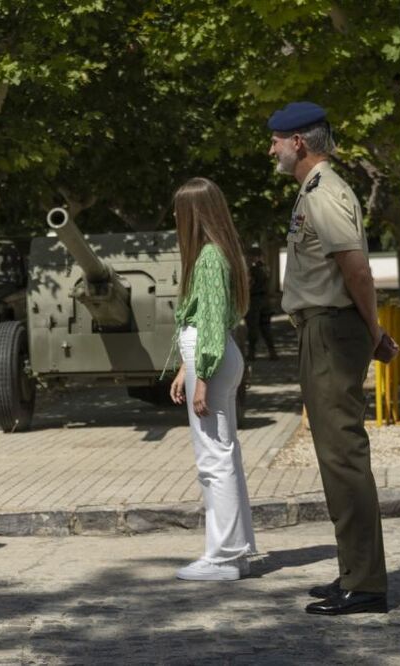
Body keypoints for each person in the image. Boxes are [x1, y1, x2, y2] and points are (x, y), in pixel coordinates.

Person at [268, 101, 397, 615]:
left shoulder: (325, 193)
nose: (271, 149)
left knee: (342, 457)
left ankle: (365, 584)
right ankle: (354, 572)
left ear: (298, 141)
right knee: (335, 456)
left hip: (331, 329)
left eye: (276, 140)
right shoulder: (315, 191)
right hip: (323, 328)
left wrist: (372, 329)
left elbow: (356, 269)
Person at [169, 177, 257, 582]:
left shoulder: (206, 259)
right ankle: (233, 552)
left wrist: (199, 374)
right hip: (216, 354)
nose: (173, 217)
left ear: (193, 215)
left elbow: (207, 321)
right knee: (224, 455)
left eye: (178, 211)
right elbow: (212, 317)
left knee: (213, 459)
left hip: (212, 357)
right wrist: (189, 369)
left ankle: (222, 557)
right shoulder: (220, 254)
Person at [244, 246, 278, 361]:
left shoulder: (253, 269)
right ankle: (272, 352)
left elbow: (249, 284)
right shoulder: (265, 268)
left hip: (254, 301)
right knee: (266, 327)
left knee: (252, 327)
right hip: (265, 300)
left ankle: (251, 353)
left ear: (254, 257)